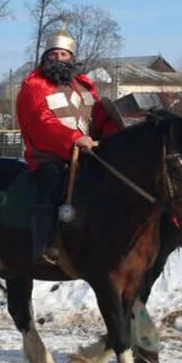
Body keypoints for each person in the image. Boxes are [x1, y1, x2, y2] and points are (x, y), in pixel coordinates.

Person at [16, 26, 117, 266]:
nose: (58, 58)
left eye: (63, 54)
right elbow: (41, 123)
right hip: (49, 156)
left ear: (71, 58)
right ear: (45, 57)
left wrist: (117, 134)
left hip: (88, 153)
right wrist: (73, 139)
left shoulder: (83, 85)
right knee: (52, 185)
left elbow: (98, 117)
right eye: (53, 54)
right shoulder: (34, 86)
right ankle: (47, 243)